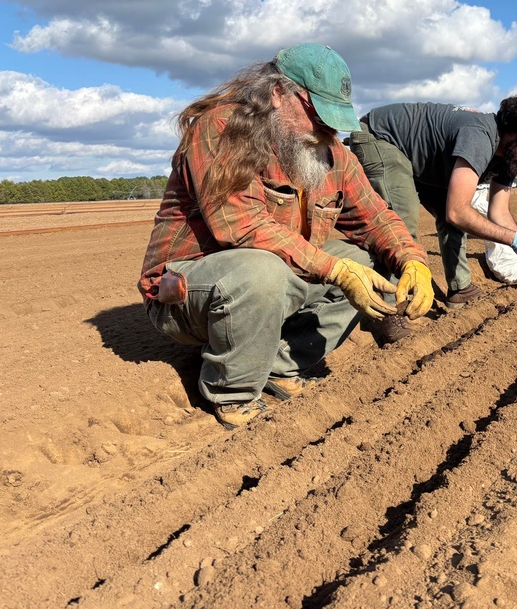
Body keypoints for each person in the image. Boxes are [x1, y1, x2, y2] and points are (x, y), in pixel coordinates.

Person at [138, 44, 435, 429]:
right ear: (278, 94)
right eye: (318, 116)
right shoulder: (222, 128)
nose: (326, 130)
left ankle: (279, 367)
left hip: (276, 280)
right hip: (187, 292)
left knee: (367, 263)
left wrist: (413, 260)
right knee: (265, 270)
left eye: (334, 121)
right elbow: (241, 226)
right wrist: (335, 270)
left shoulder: (332, 153)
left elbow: (376, 216)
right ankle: (234, 392)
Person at [348, 94, 517, 305]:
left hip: (423, 161)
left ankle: (460, 288)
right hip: (382, 137)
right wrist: (514, 240)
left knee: (454, 222)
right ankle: (389, 305)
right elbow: (457, 212)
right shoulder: (480, 137)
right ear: (516, 130)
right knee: (402, 222)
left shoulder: (511, 156)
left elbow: (499, 212)